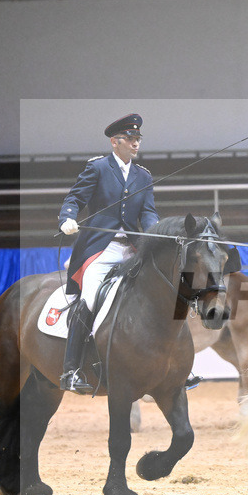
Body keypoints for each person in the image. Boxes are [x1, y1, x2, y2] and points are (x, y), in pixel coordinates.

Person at [57, 113, 159, 394]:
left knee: (164, 288)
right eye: (130, 138)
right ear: (115, 142)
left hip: (133, 249)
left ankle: (175, 365)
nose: (136, 143)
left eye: (138, 138)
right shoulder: (98, 169)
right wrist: (67, 218)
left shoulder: (143, 176)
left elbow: (148, 214)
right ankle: (71, 369)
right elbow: (74, 198)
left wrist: (155, 234)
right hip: (102, 248)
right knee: (89, 298)